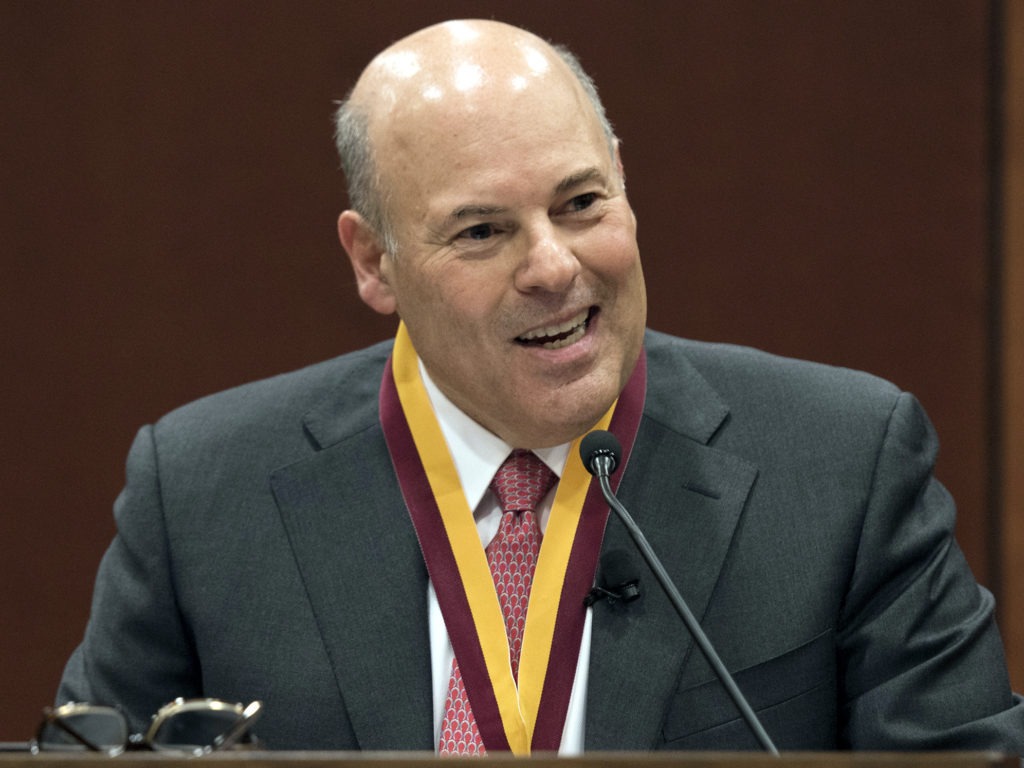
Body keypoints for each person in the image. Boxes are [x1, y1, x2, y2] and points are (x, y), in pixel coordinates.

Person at [57, 19, 1024, 755]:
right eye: (482, 231)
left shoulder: (845, 466)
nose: (555, 266)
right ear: (374, 263)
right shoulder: (199, 493)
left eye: (581, 203)